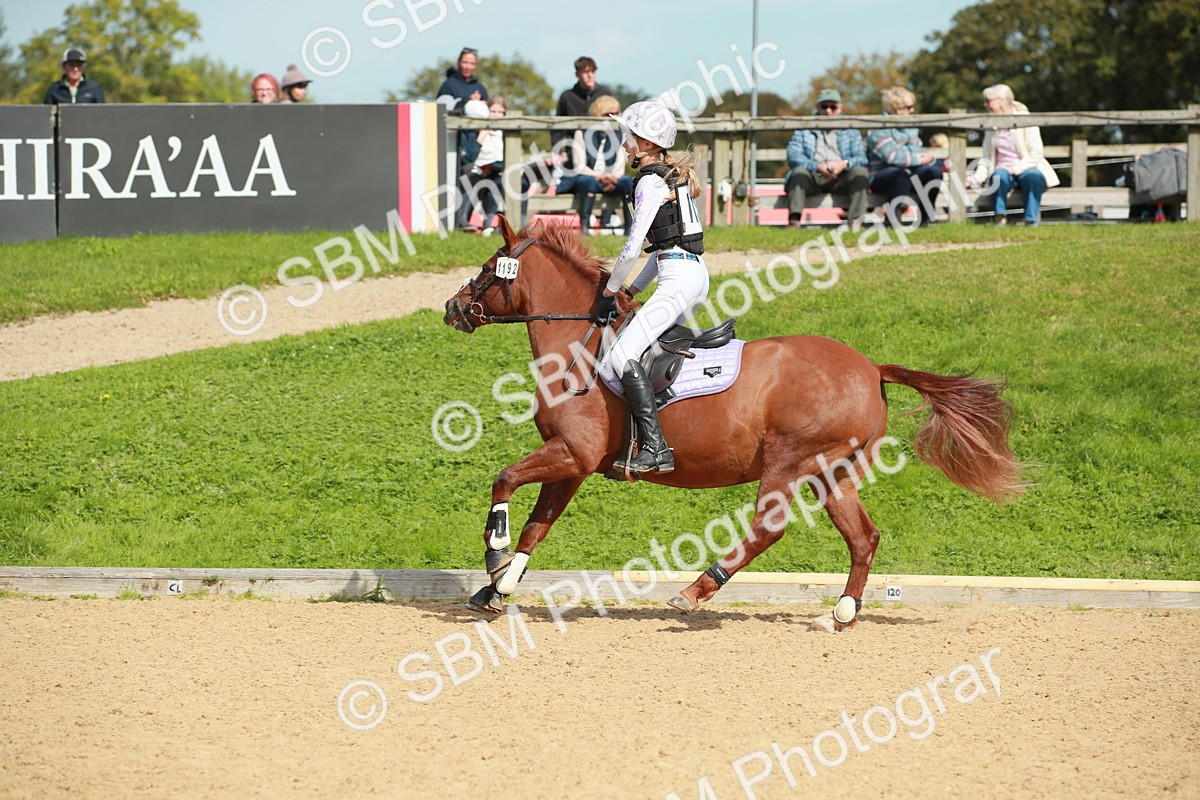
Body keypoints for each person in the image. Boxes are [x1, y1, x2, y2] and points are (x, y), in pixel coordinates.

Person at [593, 99, 709, 477]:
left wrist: (609, 292)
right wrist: (632, 291)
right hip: (688, 272)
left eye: (627, 138)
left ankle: (656, 449)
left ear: (644, 142)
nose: (623, 145)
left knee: (619, 357)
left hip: (678, 278)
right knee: (636, 348)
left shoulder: (648, 180)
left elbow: (631, 247)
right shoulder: (669, 176)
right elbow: (664, 250)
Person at [972, 84, 1060, 226]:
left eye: (988, 101)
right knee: (998, 175)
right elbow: (987, 157)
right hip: (1002, 170)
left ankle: (1031, 220)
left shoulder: (1025, 119)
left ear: (1002, 100)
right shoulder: (991, 124)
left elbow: (1036, 153)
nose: (985, 105)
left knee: (1033, 176)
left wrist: (1014, 169)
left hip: (1027, 167)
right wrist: (976, 178)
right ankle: (1000, 219)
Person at [783, 88, 869, 227]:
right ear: (817, 107)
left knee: (860, 172)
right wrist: (816, 166)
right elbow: (793, 156)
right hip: (813, 176)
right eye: (824, 106)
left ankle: (856, 222)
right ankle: (794, 221)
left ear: (840, 108)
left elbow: (861, 157)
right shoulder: (804, 128)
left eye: (833, 107)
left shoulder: (851, 128)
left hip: (842, 177)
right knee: (798, 173)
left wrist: (844, 164)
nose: (828, 111)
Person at [556, 95, 634, 234]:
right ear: (599, 114)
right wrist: (599, 176)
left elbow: (620, 164)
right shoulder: (582, 132)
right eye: (610, 114)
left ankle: (630, 228)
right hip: (587, 177)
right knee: (588, 182)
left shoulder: (620, 134)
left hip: (611, 177)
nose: (614, 117)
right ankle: (585, 228)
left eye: (617, 113)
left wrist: (612, 177)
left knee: (628, 182)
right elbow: (579, 165)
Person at [866, 87, 942, 226]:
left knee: (933, 172)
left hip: (908, 171)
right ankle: (893, 221)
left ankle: (927, 219)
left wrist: (928, 159)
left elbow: (916, 150)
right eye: (909, 107)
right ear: (898, 109)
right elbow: (893, 157)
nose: (912, 110)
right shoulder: (879, 126)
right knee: (899, 176)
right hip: (882, 175)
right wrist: (919, 159)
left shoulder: (911, 126)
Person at [456, 97, 506, 233]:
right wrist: (481, 137)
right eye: (493, 111)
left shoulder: (505, 133)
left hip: (495, 171)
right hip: (475, 170)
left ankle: (488, 224)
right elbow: (469, 158)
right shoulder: (469, 132)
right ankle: (463, 221)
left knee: (499, 181)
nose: (496, 115)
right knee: (472, 178)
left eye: (499, 112)